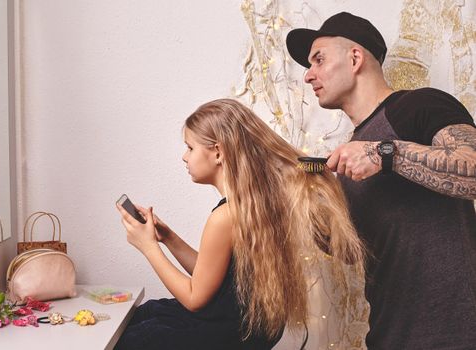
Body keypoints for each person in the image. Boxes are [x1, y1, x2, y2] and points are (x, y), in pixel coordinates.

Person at [287, 11, 476, 349]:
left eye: (318, 59)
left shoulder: (418, 105)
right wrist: (308, 210)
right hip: (387, 338)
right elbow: (353, 253)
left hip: (456, 335)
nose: (308, 76)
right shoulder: (347, 156)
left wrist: (386, 154)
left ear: (355, 57)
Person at [114, 98, 365, 349]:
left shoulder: (224, 217)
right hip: (248, 333)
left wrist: (148, 247)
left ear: (218, 152)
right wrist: (169, 238)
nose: (184, 156)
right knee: (146, 314)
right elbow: (213, 281)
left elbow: (194, 298)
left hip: (226, 337)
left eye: (190, 147)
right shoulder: (253, 207)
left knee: (137, 336)